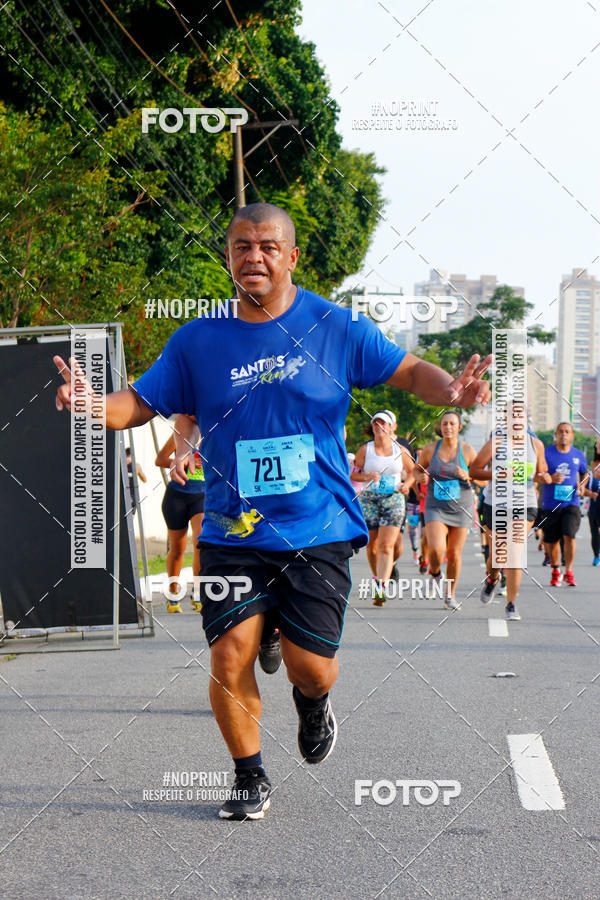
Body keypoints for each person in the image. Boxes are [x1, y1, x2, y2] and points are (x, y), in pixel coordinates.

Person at [53, 201, 491, 822]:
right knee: (229, 652)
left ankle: (312, 704)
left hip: (318, 525)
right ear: (229, 259)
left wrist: (449, 388)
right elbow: (139, 404)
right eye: (240, 248)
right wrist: (96, 406)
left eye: (265, 246)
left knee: (313, 667)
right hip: (232, 528)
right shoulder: (198, 340)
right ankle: (248, 776)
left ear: (290, 256)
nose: (252, 257)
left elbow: (410, 370)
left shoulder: (336, 327)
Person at [469, 402, 550, 620]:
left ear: (526, 418)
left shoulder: (535, 444)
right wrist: (498, 474)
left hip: (525, 504)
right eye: (511, 415)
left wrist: (545, 478)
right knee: (498, 554)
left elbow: (541, 474)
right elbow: (474, 470)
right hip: (496, 503)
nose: (516, 419)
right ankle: (492, 579)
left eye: (520, 415)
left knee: (515, 550)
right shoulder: (496, 441)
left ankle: (511, 604)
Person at [416, 410, 479, 610]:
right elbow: (416, 469)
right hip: (435, 506)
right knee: (436, 549)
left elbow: (483, 479)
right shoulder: (430, 449)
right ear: (440, 427)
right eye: (445, 424)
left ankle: (450, 595)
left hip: (461, 508)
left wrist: (467, 475)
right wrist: (421, 477)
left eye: (452, 424)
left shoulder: (468, 451)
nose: (448, 427)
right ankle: (435, 574)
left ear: (459, 427)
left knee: (454, 554)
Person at [352, 411, 414, 604]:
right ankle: (379, 578)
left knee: (386, 546)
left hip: (393, 499)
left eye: (384, 424)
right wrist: (367, 477)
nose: (380, 427)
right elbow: (354, 475)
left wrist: (407, 485)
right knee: (371, 547)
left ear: (392, 427)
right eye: (376, 424)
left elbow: (413, 472)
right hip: (370, 499)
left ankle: (381, 588)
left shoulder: (401, 450)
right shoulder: (365, 450)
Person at [155, 424, 205, 613]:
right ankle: (173, 593)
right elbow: (160, 459)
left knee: (200, 543)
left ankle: (198, 593)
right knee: (177, 548)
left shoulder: (213, 433)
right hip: (176, 495)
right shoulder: (180, 434)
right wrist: (183, 462)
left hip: (201, 495)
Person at [540, 423, 587, 587]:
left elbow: (585, 473)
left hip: (571, 503)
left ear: (572, 435)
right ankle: (555, 570)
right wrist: (550, 478)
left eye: (567, 432)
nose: (564, 434)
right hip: (550, 505)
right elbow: (539, 474)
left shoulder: (578, 455)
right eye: (560, 431)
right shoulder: (546, 453)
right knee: (552, 541)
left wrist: (582, 485)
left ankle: (568, 571)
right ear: (555, 434)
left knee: (570, 536)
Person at [582, 437, 600, 565]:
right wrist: (591, 494)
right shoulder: (591, 471)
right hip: (594, 508)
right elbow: (582, 489)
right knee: (595, 534)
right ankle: (596, 555)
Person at [125, 446, 147, 510]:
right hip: (132, 494)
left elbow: (145, 480)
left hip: (125, 492)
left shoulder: (120, 464)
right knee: (131, 516)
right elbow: (144, 479)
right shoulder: (136, 466)